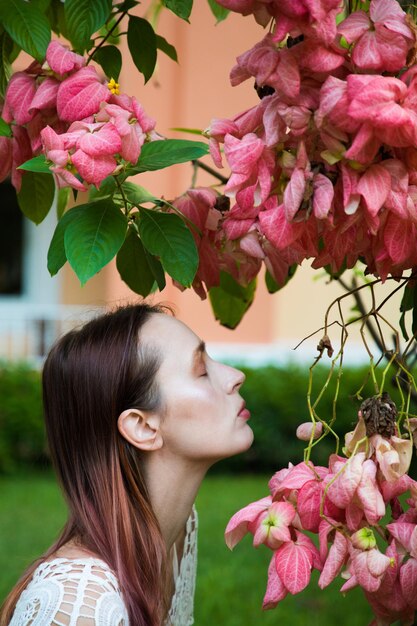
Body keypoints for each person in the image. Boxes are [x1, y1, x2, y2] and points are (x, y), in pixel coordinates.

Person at [0, 303, 253, 626]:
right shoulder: (80, 604)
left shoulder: (178, 532)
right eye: (202, 371)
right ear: (143, 427)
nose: (235, 376)